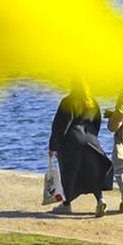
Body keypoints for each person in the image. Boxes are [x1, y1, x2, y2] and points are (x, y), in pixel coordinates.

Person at [48, 83, 112, 216]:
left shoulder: (68, 102)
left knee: (69, 173)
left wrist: (53, 146)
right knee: (92, 172)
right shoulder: (92, 102)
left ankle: (66, 204)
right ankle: (100, 199)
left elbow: (60, 126)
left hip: (71, 142)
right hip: (90, 141)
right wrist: (93, 138)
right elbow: (97, 122)